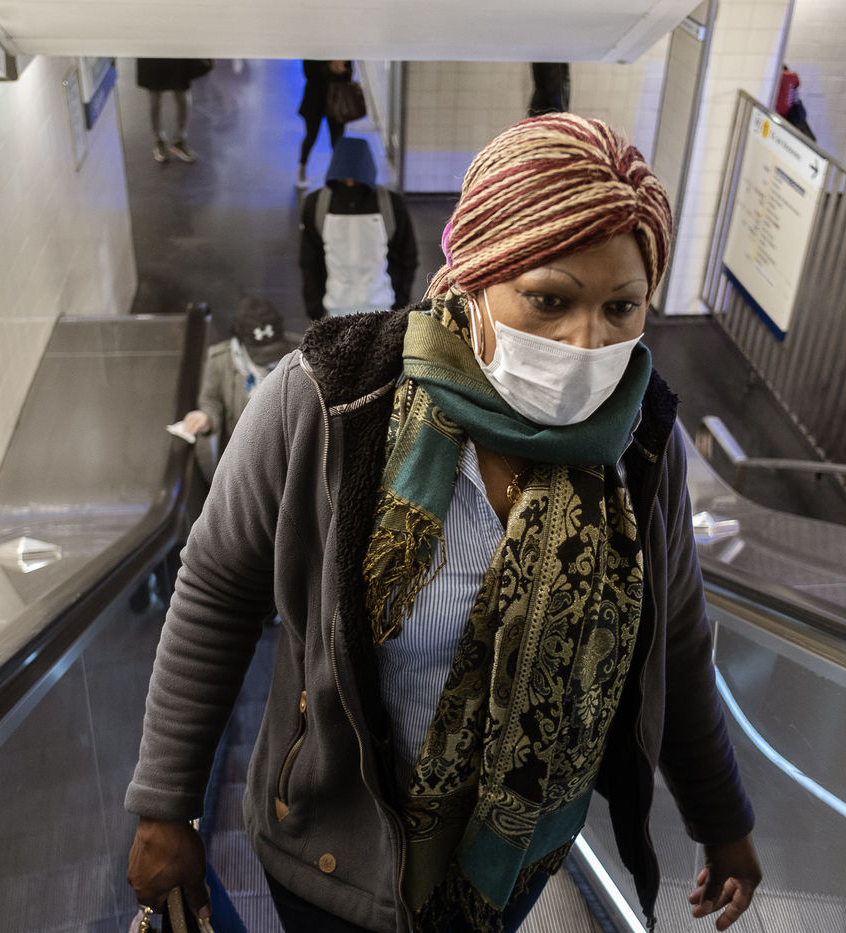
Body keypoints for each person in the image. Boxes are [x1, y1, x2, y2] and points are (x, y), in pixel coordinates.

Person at [126, 113, 761, 933]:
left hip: (513, 862)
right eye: (550, 300)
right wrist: (167, 804)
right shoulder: (328, 399)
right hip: (333, 863)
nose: (585, 342)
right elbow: (216, 590)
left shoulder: (641, 444)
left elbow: (673, 639)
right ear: (474, 273)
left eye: (621, 306)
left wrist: (722, 817)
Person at [176, 297, 299, 482]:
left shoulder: (301, 352)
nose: (268, 360)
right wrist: (206, 418)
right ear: (240, 341)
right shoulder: (220, 360)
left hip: (289, 450)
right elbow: (211, 400)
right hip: (245, 453)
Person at [300, 137, 418, 320]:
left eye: (355, 180)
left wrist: (400, 305)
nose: (350, 184)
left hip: (383, 310)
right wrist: (315, 310)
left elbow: (407, 257)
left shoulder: (390, 205)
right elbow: (309, 261)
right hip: (334, 312)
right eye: (344, 179)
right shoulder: (317, 205)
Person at [137, 58, 214, 163]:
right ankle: (159, 140)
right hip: (153, 58)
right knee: (155, 100)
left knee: (183, 98)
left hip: (176, 57)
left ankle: (179, 140)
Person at [298, 60, 354, 188]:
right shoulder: (313, 51)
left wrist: (341, 70)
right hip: (314, 100)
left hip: (337, 101)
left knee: (337, 141)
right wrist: (329, 68)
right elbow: (308, 73)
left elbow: (349, 74)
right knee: (311, 136)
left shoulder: (343, 52)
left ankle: (338, 174)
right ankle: (302, 165)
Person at [775, 64, 816, 141]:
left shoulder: (780, 77)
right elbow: (797, 84)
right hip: (795, 110)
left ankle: (809, 141)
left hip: (789, 113)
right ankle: (810, 141)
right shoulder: (792, 76)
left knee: (797, 132)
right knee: (802, 130)